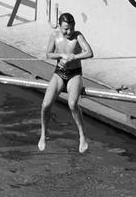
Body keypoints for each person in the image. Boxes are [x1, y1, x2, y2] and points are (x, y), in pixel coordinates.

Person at [38, 12, 94, 153]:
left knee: (72, 103)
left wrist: (75, 57)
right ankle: (43, 134)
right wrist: (61, 55)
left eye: (71, 28)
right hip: (59, 73)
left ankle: (82, 136)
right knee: (45, 105)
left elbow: (89, 52)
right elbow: (48, 54)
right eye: (65, 29)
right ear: (60, 26)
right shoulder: (55, 35)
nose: (68, 32)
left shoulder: (78, 36)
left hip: (74, 74)